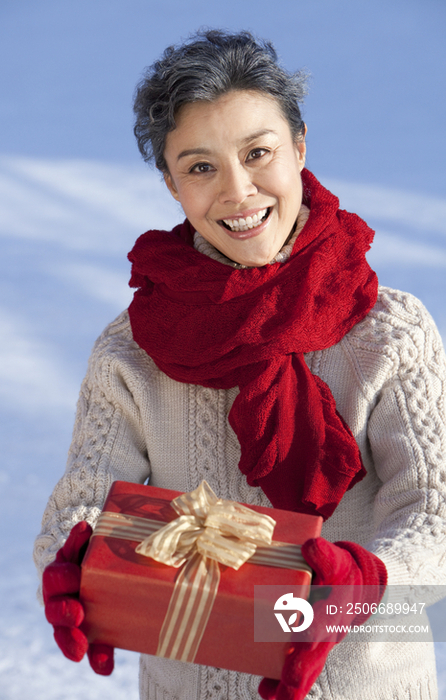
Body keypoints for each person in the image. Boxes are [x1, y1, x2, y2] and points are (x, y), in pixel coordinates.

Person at [34, 29, 446, 700]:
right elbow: (86, 496)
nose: (238, 190)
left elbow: (435, 512)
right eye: (200, 167)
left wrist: (363, 583)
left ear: (300, 148)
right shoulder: (133, 349)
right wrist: (74, 555)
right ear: (170, 184)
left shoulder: (389, 332)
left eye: (259, 153)